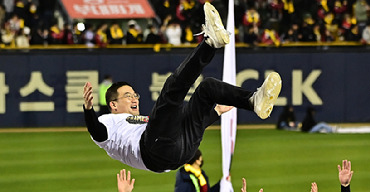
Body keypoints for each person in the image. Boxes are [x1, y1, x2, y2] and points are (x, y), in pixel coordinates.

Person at [83, 2, 282, 173]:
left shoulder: (139, 122)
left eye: (134, 94)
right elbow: (97, 131)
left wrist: (215, 112)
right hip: (153, 151)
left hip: (182, 151)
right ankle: (211, 43)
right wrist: (88, 110)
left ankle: (253, 101)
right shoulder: (108, 121)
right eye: (127, 95)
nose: (134, 98)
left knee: (208, 88)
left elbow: (186, 122)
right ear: (113, 105)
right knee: (172, 91)